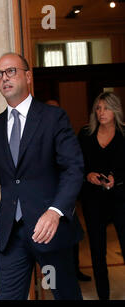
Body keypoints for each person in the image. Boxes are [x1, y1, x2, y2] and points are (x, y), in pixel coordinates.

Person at [0, 52, 84, 300]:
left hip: (49, 231)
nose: (4, 78)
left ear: (28, 76)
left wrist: (56, 211)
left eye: (11, 71)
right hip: (12, 235)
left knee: (65, 295)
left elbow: (73, 169)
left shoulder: (53, 118)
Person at [78, 92, 125, 300]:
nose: (101, 112)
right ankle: (103, 296)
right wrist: (88, 175)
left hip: (121, 199)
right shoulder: (86, 134)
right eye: (98, 108)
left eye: (106, 108)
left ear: (116, 110)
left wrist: (116, 177)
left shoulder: (124, 135)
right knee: (97, 252)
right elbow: (76, 164)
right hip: (94, 200)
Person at [45, 99, 92, 283]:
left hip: (66, 201)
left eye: (57, 110)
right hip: (45, 202)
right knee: (49, 247)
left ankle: (74, 272)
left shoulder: (66, 135)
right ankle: (50, 280)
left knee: (71, 241)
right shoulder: (38, 137)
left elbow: (74, 167)